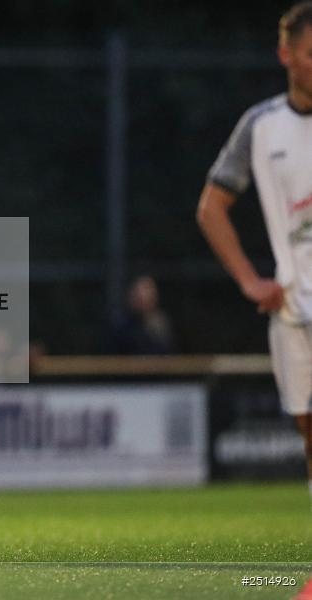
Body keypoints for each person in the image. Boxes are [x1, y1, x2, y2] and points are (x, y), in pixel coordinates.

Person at [197, 1, 312, 503]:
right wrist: (249, 280)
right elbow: (211, 208)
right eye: (311, 53)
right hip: (293, 311)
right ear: (285, 55)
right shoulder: (261, 127)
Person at [109, 275, 178, 355]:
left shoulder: (162, 323)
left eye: (148, 293)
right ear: (131, 296)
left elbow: (171, 353)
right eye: (138, 295)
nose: (143, 297)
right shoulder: (120, 326)